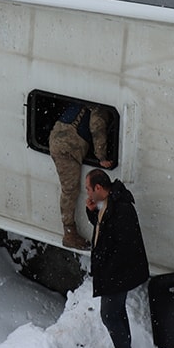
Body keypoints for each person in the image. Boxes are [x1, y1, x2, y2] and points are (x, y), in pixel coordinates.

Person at [84, 168, 150, 348]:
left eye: (88, 189)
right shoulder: (110, 203)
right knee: (117, 313)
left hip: (117, 274)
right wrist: (92, 212)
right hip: (116, 273)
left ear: (98, 187)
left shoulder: (121, 209)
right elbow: (104, 229)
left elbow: (122, 245)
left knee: (109, 315)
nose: (87, 193)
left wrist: (107, 271)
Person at [49, 102, 113, 250]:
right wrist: (101, 157)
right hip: (67, 146)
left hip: (61, 136)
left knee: (70, 189)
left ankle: (69, 231)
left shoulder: (90, 102)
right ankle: (69, 233)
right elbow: (97, 126)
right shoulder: (99, 107)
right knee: (70, 190)